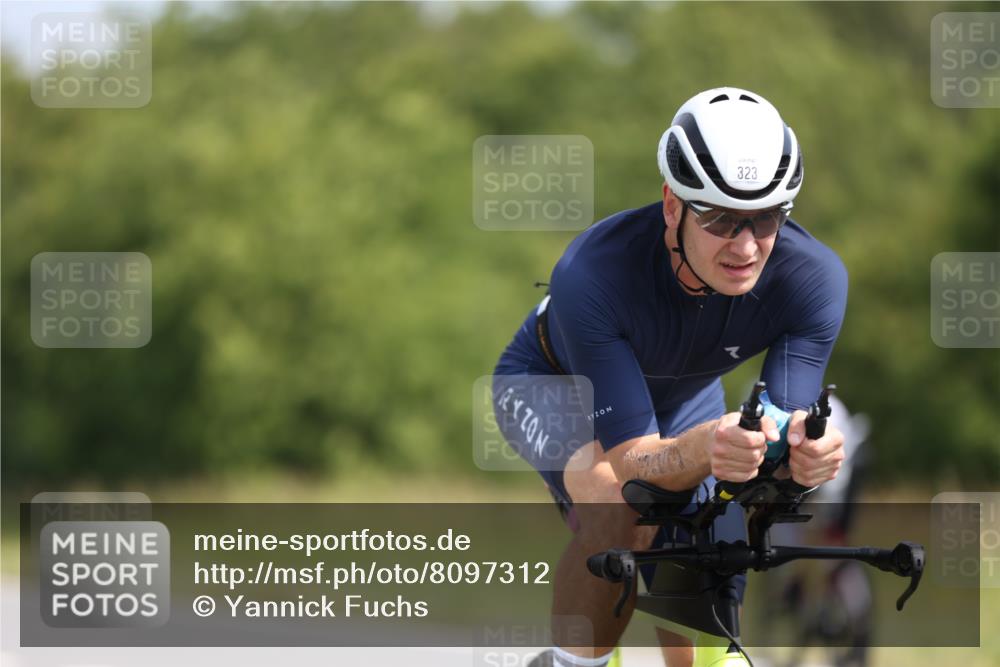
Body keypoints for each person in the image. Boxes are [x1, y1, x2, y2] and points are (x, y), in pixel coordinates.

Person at [491, 86, 848, 667]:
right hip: (552, 384)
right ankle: (575, 662)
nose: (747, 245)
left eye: (766, 218)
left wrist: (806, 456)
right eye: (721, 219)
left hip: (683, 399)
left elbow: (783, 435)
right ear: (672, 204)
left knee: (704, 523)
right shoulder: (592, 272)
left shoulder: (813, 279)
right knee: (620, 502)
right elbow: (633, 461)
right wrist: (705, 448)